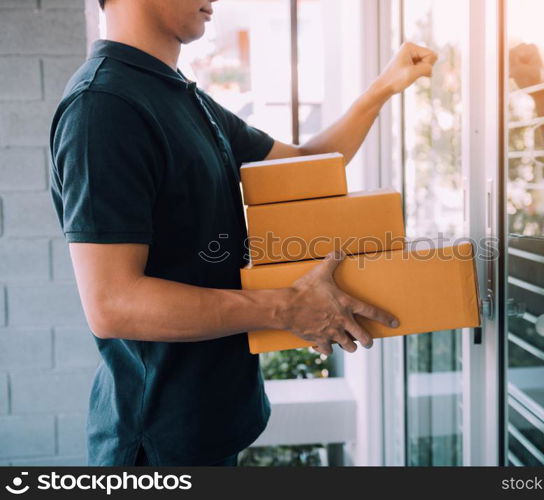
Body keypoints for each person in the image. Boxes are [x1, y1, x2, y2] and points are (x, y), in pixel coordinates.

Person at [49, 0, 437, 466]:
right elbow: (113, 304)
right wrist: (288, 307)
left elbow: (302, 166)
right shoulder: (104, 108)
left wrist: (381, 90)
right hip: (158, 446)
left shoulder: (176, 94)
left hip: (212, 427)